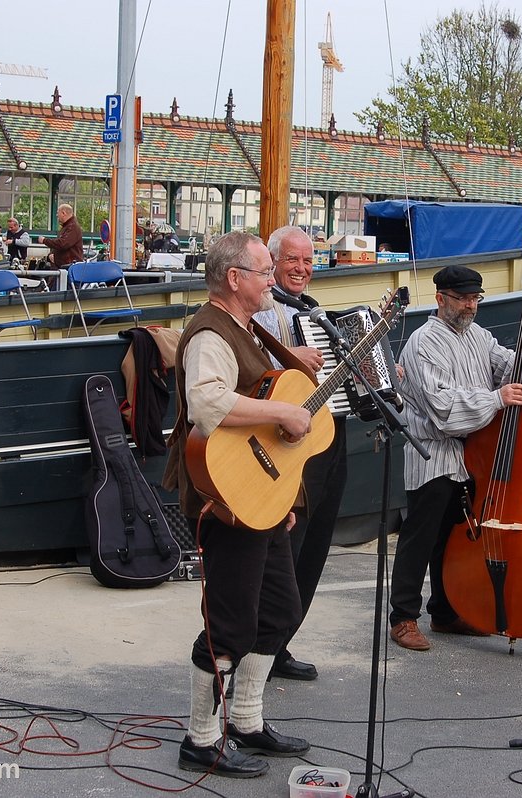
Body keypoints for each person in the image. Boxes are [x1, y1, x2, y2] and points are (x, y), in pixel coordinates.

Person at [162, 231, 311, 778]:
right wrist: (282, 416)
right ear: (234, 279)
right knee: (229, 624)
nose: (273, 278)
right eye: (264, 270)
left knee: (279, 613)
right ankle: (201, 739)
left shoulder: (249, 329)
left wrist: (279, 491)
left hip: (257, 493)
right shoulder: (209, 333)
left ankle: (245, 719)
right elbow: (206, 404)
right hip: (222, 498)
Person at [389, 264, 522, 651]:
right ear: (440, 298)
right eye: (462, 299)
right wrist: (496, 398)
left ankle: (445, 611)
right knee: (422, 538)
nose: (470, 306)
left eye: (475, 298)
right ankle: (403, 618)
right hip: (434, 454)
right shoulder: (424, 342)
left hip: (473, 456)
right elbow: (442, 408)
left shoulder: (478, 335)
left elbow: (508, 360)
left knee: (455, 540)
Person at [252, 226, 342, 682]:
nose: (302, 269)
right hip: (280, 446)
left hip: (323, 439)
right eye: (292, 261)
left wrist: (372, 370)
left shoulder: (313, 311)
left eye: (308, 261)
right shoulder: (262, 312)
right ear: (271, 263)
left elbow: (323, 380)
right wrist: (290, 357)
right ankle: (259, 647)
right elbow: (252, 370)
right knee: (284, 548)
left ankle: (281, 642)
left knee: (314, 547)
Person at [39, 204, 83, 269]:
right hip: (62, 266)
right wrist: (51, 255)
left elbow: (63, 244)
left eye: (57, 213)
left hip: (69, 268)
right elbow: (59, 244)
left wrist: (44, 240)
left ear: (63, 213)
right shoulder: (67, 227)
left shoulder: (73, 227)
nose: (57, 215)